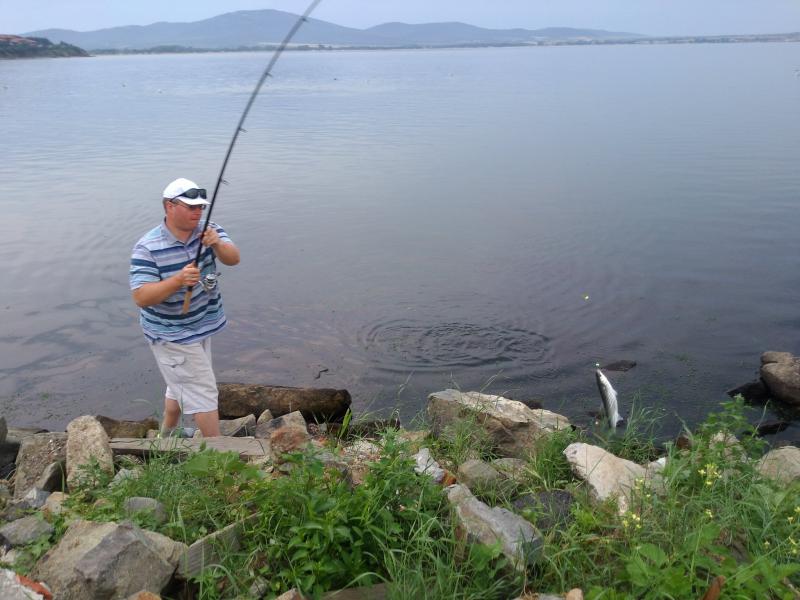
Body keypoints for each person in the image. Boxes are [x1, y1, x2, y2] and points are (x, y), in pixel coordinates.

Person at [129, 177, 240, 437]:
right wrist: (178, 280)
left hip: (200, 325)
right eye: (191, 207)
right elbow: (141, 297)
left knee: (180, 382)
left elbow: (233, 259)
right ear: (170, 206)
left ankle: (165, 438)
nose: (198, 212)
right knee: (203, 391)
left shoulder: (209, 230)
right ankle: (217, 453)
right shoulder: (148, 247)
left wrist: (217, 243)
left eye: (201, 207)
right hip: (171, 334)